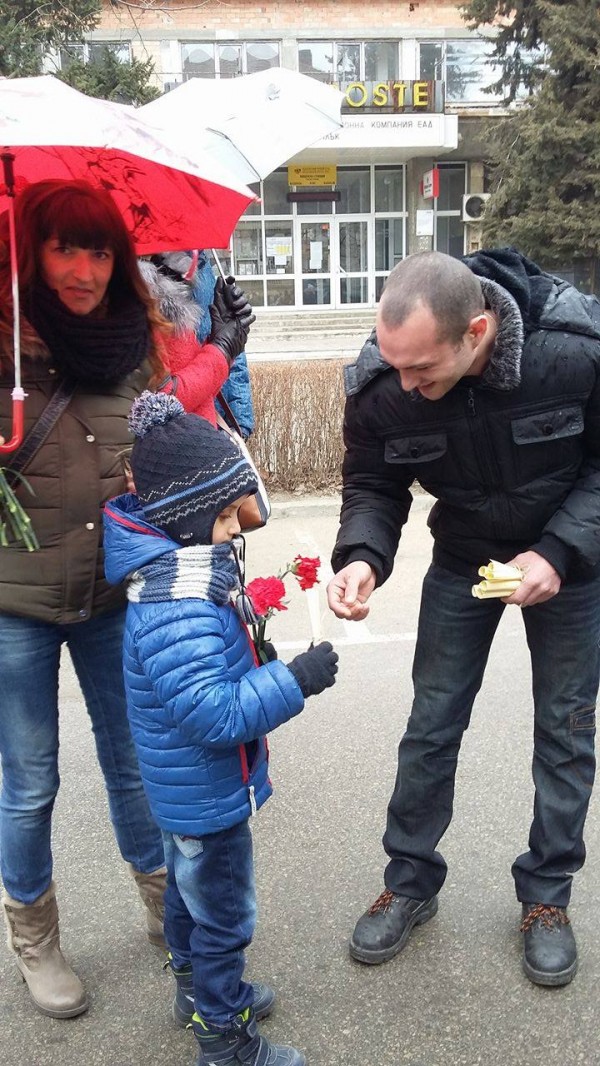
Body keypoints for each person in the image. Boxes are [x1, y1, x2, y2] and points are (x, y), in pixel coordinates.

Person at [0, 179, 251, 1021]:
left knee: (137, 767)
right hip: (14, 603)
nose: (82, 268)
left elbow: (167, 423)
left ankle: (165, 907)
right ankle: (36, 940)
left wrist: (215, 355)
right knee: (30, 784)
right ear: (31, 250)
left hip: (118, 596)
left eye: (99, 250)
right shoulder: (2, 340)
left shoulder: (134, 340)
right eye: (64, 247)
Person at [326, 249, 600, 988]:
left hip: (569, 564)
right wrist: (361, 555)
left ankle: (546, 899)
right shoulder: (384, 383)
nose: (408, 387)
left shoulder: (572, 352)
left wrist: (558, 551)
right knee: (432, 724)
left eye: (423, 371)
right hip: (466, 562)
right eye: (396, 365)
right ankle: (410, 882)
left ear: (476, 331)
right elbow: (372, 482)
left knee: (566, 731)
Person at [102, 390, 338, 1066]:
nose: (238, 530)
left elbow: (210, 674)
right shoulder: (177, 604)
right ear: (187, 517)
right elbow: (213, 713)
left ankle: (196, 994)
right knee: (224, 916)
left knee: (187, 896)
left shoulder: (180, 574)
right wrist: (294, 680)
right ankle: (225, 1038)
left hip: (186, 794)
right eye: (227, 518)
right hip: (204, 795)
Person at [138, 250, 254, 428]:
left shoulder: (182, 271)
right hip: (175, 447)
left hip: (198, 439)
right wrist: (221, 350)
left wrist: (221, 341)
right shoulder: (138, 294)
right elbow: (161, 401)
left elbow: (199, 390)